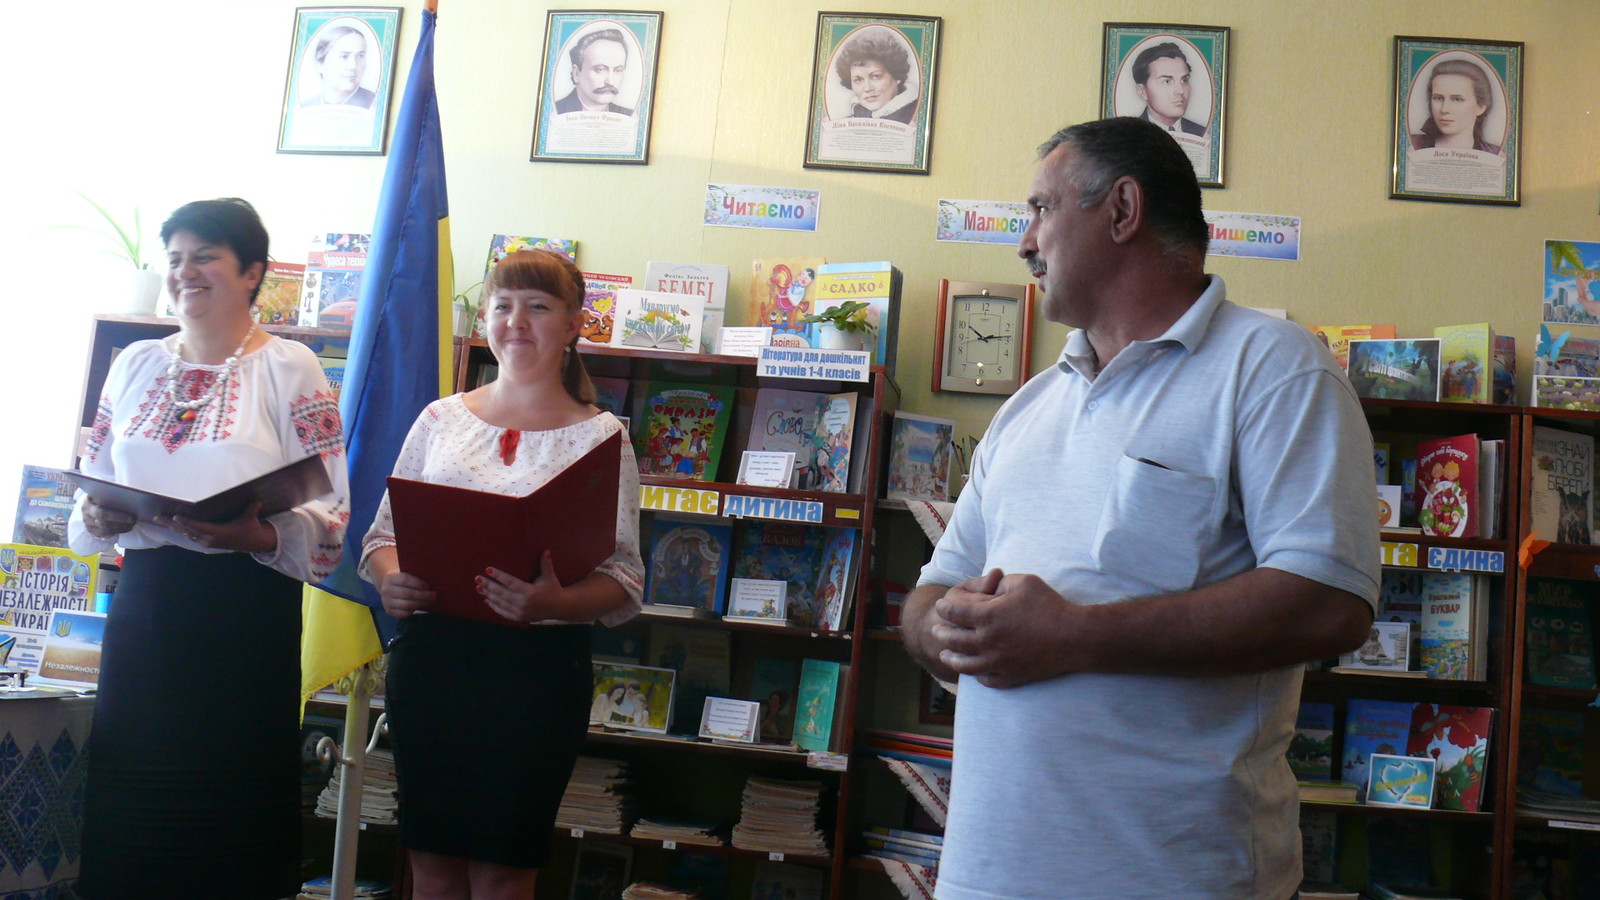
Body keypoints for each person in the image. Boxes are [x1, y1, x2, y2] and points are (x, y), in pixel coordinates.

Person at [900, 117, 1378, 900]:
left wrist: (1073, 636)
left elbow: (1329, 604)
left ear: (1122, 210)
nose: (1024, 241)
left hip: (1178, 879)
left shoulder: (1275, 368)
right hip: (986, 878)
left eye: (1041, 209)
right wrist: (947, 629)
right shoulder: (1026, 410)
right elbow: (929, 595)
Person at [67, 198, 351, 900]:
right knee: (133, 821)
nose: (184, 272)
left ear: (252, 272)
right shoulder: (134, 363)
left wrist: (261, 534)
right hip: (147, 614)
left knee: (228, 827)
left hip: (243, 617)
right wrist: (97, 513)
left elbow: (333, 507)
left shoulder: (291, 366)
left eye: (204, 257)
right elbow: (92, 480)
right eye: (174, 259)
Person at [361, 248, 644, 899]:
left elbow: (625, 578)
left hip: (535, 674)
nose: (516, 321)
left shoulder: (603, 437)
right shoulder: (440, 419)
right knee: (433, 863)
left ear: (573, 324)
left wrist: (553, 602)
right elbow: (381, 537)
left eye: (537, 306)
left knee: (503, 870)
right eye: (503, 305)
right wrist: (389, 578)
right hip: (433, 662)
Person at [1410, 58, 1502, 154]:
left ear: (1480, 107)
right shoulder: (1413, 146)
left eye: (1457, 99)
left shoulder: (1494, 155)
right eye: (1438, 98)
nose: (1444, 109)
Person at [832, 29, 918, 124]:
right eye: (858, 80)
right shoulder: (846, 124)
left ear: (897, 76)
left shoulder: (916, 118)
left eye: (876, 76)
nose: (867, 88)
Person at [1129, 41, 1206, 135]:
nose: (1180, 90)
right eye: (1167, 81)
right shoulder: (1129, 133)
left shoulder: (1203, 133)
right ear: (1142, 91)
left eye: (1184, 80)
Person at [554, 29, 634, 115]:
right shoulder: (556, 111)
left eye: (618, 70)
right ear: (576, 73)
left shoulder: (629, 116)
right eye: (600, 70)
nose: (610, 82)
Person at [301, 24, 376, 108]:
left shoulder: (375, 103)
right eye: (344, 56)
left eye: (360, 56)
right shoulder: (307, 107)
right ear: (320, 63)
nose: (353, 65)